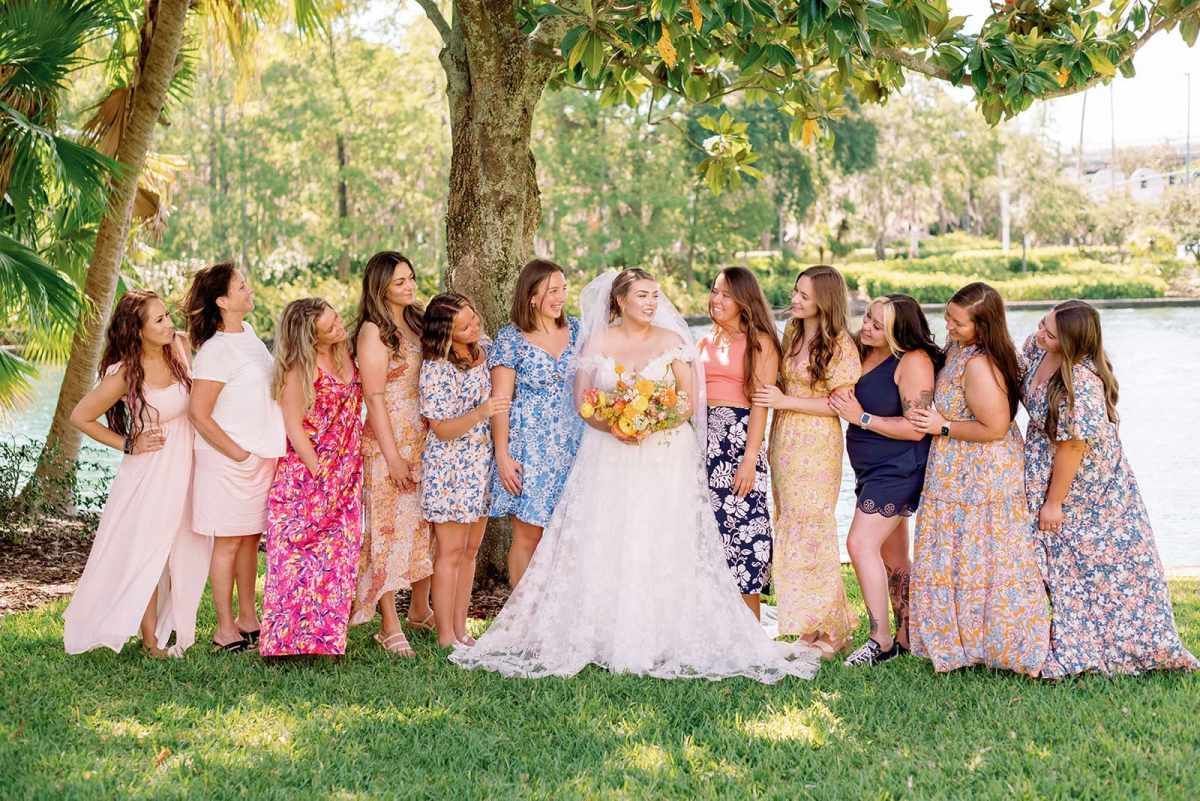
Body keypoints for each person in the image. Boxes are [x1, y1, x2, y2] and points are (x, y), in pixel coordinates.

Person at [449, 269, 820, 682]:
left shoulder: (675, 342)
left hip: (664, 453)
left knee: (662, 535)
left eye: (655, 295)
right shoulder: (598, 340)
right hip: (609, 453)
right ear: (620, 300)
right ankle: (607, 629)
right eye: (642, 295)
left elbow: (688, 402)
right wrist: (616, 424)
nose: (651, 302)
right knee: (611, 535)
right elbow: (584, 401)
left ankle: (665, 629)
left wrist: (649, 421)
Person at [1020, 300, 1197, 677]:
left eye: (1050, 333)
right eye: (1042, 324)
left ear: (1072, 343)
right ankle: (1068, 633)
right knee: (1061, 561)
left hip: (1088, 484)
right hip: (1047, 464)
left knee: (1105, 563)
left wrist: (1054, 502)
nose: (1040, 334)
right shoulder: (1037, 347)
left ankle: (1125, 645)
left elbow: (1073, 445)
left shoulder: (1081, 380)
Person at [908, 282, 1049, 675]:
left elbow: (996, 426)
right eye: (948, 317)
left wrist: (942, 426)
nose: (949, 326)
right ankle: (960, 640)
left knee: (983, 554)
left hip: (981, 468)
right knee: (956, 553)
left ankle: (995, 641)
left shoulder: (980, 363)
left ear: (983, 326)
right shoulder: (958, 350)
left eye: (958, 322)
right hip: (953, 467)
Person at [63, 290, 210, 657]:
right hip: (150, 472)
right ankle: (150, 640)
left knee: (186, 548)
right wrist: (129, 442)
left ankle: (175, 626)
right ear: (138, 330)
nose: (168, 323)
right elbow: (80, 416)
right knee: (148, 552)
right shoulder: (127, 372)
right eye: (158, 320)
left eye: (166, 316)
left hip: (186, 465)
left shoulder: (177, 349)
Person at [752, 265, 860, 657]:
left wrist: (785, 401)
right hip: (784, 438)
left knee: (811, 527)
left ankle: (831, 629)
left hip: (815, 442)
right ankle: (806, 623)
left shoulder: (840, 345)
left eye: (804, 296)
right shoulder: (793, 334)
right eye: (795, 292)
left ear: (823, 302)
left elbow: (841, 405)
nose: (794, 299)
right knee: (790, 525)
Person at [830, 295, 942, 667]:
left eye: (879, 325)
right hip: (869, 470)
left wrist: (861, 418)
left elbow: (916, 428)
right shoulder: (862, 353)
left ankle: (879, 642)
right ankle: (907, 636)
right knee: (893, 558)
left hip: (899, 468)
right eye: (867, 318)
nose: (867, 327)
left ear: (898, 330)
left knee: (860, 543)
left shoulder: (913, 362)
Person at [186, 263, 286, 652]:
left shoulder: (248, 336)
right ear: (223, 301)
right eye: (241, 286)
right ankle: (224, 627)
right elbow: (199, 413)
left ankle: (249, 616)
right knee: (228, 543)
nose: (249, 290)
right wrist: (238, 454)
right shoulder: (214, 351)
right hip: (229, 462)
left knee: (249, 540)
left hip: (259, 458)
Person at [259, 299, 364, 657]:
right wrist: (319, 471)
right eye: (330, 326)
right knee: (296, 564)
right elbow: (293, 427)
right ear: (310, 337)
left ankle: (324, 640)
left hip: (347, 473)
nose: (339, 327)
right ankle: (287, 642)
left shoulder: (347, 354)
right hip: (306, 477)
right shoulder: (297, 370)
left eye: (337, 319)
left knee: (339, 557)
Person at [350, 252, 433, 656]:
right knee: (385, 530)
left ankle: (421, 608)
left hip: (424, 436)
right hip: (389, 439)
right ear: (380, 285)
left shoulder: (416, 322)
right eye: (400, 281)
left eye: (411, 278)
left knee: (423, 525)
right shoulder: (373, 332)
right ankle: (389, 622)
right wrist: (394, 456)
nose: (410, 286)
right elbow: (374, 397)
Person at [488, 259, 584, 588]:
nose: (561, 297)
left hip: (574, 444)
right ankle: (521, 621)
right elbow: (500, 401)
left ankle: (557, 619)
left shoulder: (579, 331)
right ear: (532, 296)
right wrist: (502, 454)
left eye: (563, 289)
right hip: (530, 447)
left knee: (568, 536)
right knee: (528, 535)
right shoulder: (511, 338)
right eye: (552, 290)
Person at [419, 294, 505, 649]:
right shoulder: (437, 367)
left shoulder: (483, 349)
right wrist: (482, 412)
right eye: (464, 325)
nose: (475, 326)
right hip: (450, 469)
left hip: (480, 465)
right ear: (445, 333)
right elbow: (441, 428)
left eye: (474, 317)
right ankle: (444, 635)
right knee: (449, 553)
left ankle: (460, 629)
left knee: (470, 551)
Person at [697, 266, 781, 619]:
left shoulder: (760, 342)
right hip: (703, 441)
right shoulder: (703, 342)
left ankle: (751, 628)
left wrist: (750, 458)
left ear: (743, 301)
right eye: (715, 291)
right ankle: (715, 627)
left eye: (726, 294)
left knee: (746, 534)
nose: (717, 300)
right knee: (708, 534)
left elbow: (760, 403)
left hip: (738, 441)